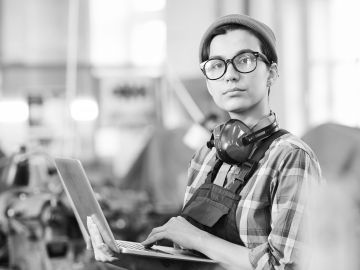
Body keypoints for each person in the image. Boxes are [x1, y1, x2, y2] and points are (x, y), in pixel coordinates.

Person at [87, 14, 322, 270]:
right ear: (209, 82)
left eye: (244, 60)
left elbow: (286, 266)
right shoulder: (206, 156)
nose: (230, 75)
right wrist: (124, 257)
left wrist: (196, 237)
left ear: (272, 73)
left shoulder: (290, 157)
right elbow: (188, 258)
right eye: (216, 65)